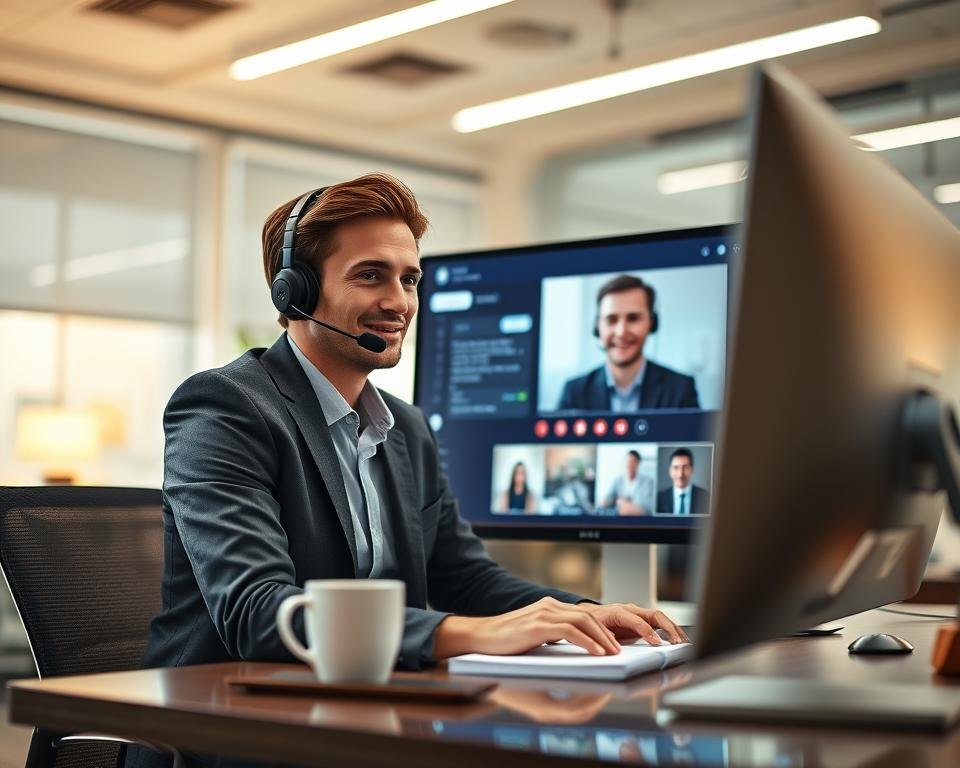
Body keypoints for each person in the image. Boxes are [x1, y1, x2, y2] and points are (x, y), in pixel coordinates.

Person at [133, 174, 687, 766]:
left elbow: (465, 580)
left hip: (369, 719)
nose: (399, 301)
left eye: (410, 279)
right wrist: (474, 633)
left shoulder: (408, 428)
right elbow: (259, 613)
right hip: (237, 732)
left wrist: (583, 614)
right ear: (293, 291)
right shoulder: (225, 407)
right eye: (370, 275)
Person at [557, 274, 699, 412]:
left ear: (652, 323)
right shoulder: (574, 392)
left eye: (633, 318)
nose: (621, 332)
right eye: (611, 319)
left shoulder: (681, 389)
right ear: (597, 327)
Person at [655, 448, 711, 516]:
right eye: (676, 467)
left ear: (692, 470)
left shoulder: (705, 497)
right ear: (670, 471)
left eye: (685, 467)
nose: (680, 474)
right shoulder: (659, 498)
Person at [601, 449, 655, 515]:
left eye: (632, 462)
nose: (629, 465)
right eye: (627, 461)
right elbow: (605, 501)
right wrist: (616, 500)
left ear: (638, 463)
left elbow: (647, 508)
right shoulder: (617, 480)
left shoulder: (648, 482)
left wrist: (626, 502)